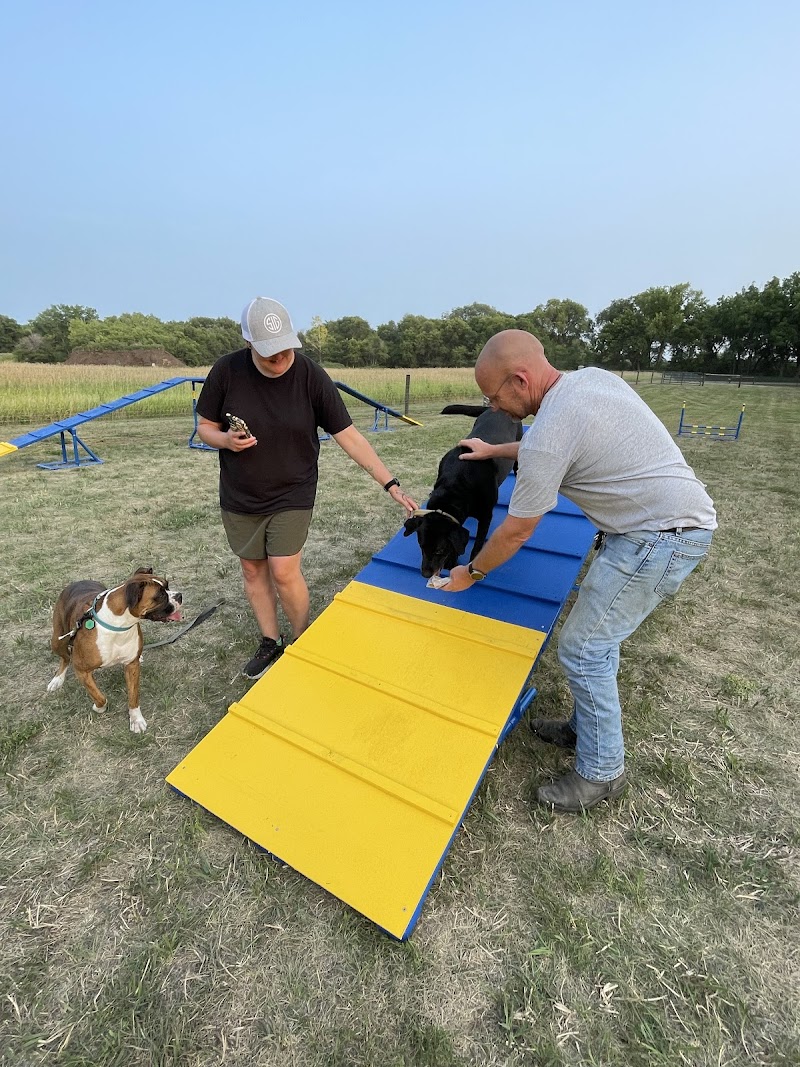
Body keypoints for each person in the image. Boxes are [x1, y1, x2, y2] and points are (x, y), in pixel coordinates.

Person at [440, 330, 716, 813]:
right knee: (595, 641)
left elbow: (515, 532)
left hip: (659, 539)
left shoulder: (548, 431)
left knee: (586, 648)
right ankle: (584, 728)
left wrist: (472, 573)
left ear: (520, 380)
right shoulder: (590, 381)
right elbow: (554, 445)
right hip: (666, 526)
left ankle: (602, 774)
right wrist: (495, 450)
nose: (493, 405)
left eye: (493, 396)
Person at [196, 297, 418, 680]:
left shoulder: (311, 377)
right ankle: (270, 640)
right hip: (240, 493)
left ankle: (301, 641)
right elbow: (204, 426)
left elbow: (349, 436)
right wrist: (226, 441)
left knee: (283, 570)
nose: (280, 359)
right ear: (249, 344)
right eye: (269, 354)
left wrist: (389, 482)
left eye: (285, 350)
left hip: (293, 491)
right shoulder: (226, 372)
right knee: (252, 569)